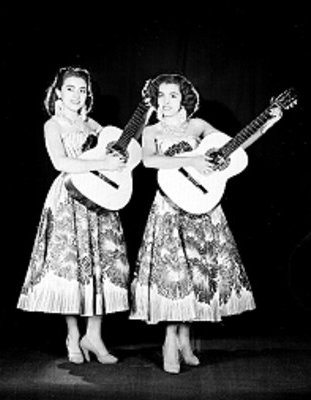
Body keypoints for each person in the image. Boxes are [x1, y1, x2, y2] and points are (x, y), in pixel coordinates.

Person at [130, 73, 282, 374]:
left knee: (194, 275)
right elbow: (149, 161)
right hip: (170, 209)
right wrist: (192, 160)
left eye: (173, 95)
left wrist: (267, 121)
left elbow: (233, 145)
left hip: (202, 207)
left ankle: (185, 339)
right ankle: (169, 341)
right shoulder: (152, 131)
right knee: (174, 276)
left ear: (184, 97)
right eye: (161, 95)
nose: (166, 101)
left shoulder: (198, 126)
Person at [17, 66, 130, 365]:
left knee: (100, 265)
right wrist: (101, 160)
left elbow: (117, 151)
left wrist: (116, 159)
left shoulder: (93, 124)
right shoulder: (53, 125)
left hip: (98, 196)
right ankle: (72, 334)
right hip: (69, 196)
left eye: (82, 90)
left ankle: (93, 335)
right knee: (72, 269)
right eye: (70, 89)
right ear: (58, 92)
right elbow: (59, 161)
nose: (77, 95)